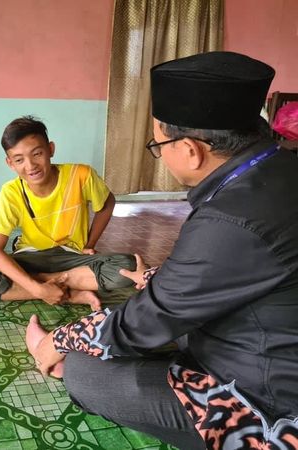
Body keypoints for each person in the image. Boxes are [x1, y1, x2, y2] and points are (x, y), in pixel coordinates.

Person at [26, 51, 298, 449]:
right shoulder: (279, 170)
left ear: (190, 149)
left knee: (85, 369)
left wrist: (60, 339)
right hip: (266, 342)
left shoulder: (229, 219)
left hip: (270, 401)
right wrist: (160, 281)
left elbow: (145, 322)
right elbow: (237, 272)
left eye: (158, 143)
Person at [0, 117, 135, 310]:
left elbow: (107, 203)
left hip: (71, 255)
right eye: (19, 160)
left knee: (129, 266)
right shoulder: (11, 192)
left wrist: (89, 244)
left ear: (50, 149)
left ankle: (44, 283)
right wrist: (38, 290)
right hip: (30, 257)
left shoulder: (81, 175)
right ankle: (69, 293)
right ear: (10, 163)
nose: (30, 165)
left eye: (37, 154)